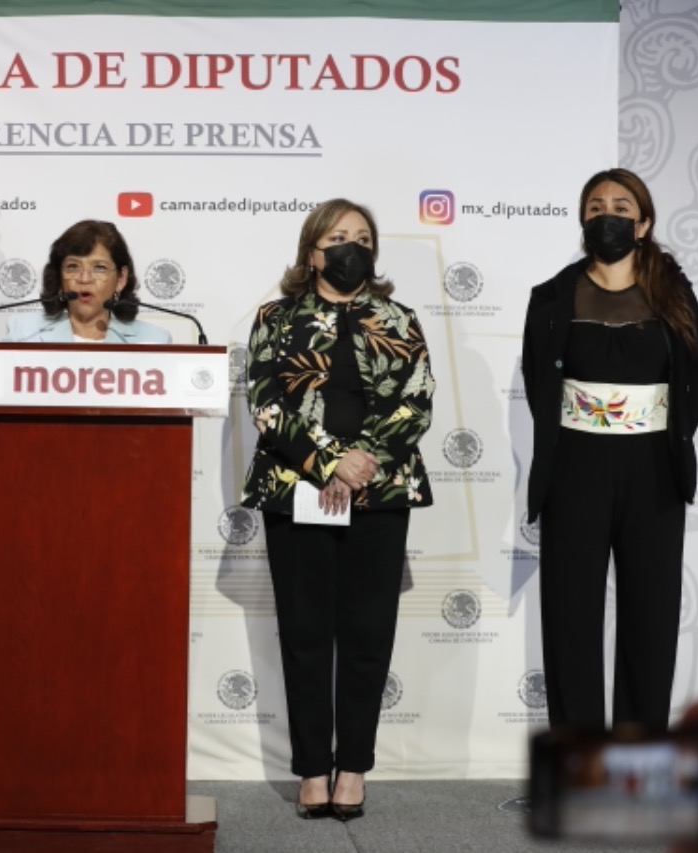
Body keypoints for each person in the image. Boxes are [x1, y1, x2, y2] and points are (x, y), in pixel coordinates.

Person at [241, 199, 434, 821]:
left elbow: (417, 401)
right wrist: (330, 463)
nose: (352, 247)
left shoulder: (400, 320)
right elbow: (266, 402)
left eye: (363, 238)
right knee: (304, 634)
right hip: (296, 489)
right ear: (312, 251)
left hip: (381, 491)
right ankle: (310, 769)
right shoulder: (275, 317)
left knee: (367, 635)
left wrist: (363, 461)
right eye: (338, 237)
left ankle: (352, 767)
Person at [522, 167, 698, 731]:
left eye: (622, 208)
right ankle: (578, 763)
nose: (608, 216)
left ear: (643, 223)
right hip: (573, 470)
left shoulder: (674, 295)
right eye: (596, 207)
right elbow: (538, 382)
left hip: (654, 472)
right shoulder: (551, 297)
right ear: (583, 221)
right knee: (570, 620)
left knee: (651, 620)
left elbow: (694, 383)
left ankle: (637, 762)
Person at [3, 220, 172, 343]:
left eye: (100, 268)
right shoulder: (23, 333)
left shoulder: (154, 340)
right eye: (73, 267)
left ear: (121, 279)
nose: (84, 279)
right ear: (59, 276)